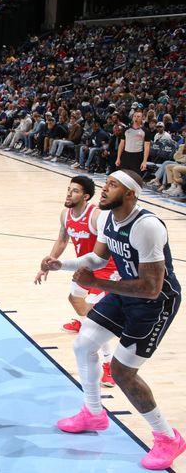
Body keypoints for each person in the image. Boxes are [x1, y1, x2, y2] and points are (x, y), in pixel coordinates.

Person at [40, 170, 184, 470]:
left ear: (130, 194)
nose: (104, 190)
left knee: (122, 372)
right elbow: (98, 260)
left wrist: (100, 284)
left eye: (112, 186)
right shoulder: (107, 218)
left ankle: (167, 437)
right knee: (83, 345)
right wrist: (61, 264)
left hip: (154, 304)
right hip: (125, 291)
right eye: (105, 184)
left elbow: (151, 287)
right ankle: (94, 412)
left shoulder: (147, 227)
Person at [34, 176, 117, 387]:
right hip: (83, 268)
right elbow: (62, 240)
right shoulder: (65, 214)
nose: (69, 193)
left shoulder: (96, 216)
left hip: (105, 270)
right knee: (74, 298)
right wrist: (47, 264)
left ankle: (109, 366)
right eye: (68, 189)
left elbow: (110, 246)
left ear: (86, 196)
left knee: (97, 320)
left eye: (75, 191)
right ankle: (84, 320)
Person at [116, 109, 151, 176]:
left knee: (135, 176)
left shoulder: (145, 131)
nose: (136, 118)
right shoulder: (126, 129)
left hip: (137, 156)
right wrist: (118, 158)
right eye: (134, 116)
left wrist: (144, 161)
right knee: (122, 175)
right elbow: (121, 144)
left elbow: (147, 147)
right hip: (126, 155)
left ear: (142, 118)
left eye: (138, 116)